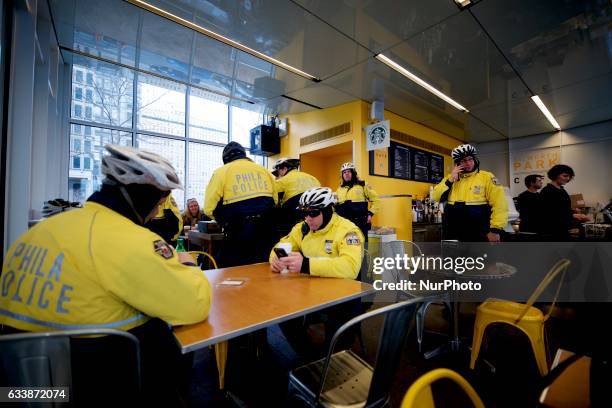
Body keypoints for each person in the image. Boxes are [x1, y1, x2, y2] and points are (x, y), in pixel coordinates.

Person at [0, 144, 212, 405]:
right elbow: (195, 303)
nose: (158, 211)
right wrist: (187, 264)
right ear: (141, 199)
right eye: (158, 203)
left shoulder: (37, 233)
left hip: (23, 390)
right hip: (95, 387)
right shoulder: (130, 239)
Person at [269, 187, 364, 357]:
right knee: (282, 313)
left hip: (344, 295)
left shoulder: (348, 231)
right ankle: (309, 357)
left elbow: (350, 267)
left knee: (336, 347)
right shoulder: (303, 228)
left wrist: (305, 265)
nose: (308, 218)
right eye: (304, 214)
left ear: (328, 210)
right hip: (312, 291)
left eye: (313, 213)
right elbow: (282, 244)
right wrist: (275, 258)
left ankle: (332, 359)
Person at [204, 141, 277, 267]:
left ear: (226, 158)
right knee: (263, 268)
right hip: (267, 230)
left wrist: (222, 220)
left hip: (238, 232)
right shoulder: (264, 171)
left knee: (235, 272)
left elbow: (209, 208)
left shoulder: (221, 172)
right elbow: (275, 200)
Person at [431, 144, 508, 242]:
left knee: (478, 257)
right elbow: (435, 197)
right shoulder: (451, 178)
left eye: (470, 159)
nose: (468, 163)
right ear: (457, 163)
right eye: (463, 160)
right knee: (454, 257)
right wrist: (450, 180)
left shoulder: (487, 177)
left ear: (474, 159)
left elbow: (500, 204)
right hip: (453, 232)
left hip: (478, 232)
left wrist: (495, 230)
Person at [539, 164, 590, 240]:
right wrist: (574, 215)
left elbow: (562, 207)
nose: (568, 178)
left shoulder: (561, 189)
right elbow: (551, 213)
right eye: (565, 176)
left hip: (563, 227)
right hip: (553, 230)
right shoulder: (547, 191)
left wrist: (573, 210)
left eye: (569, 176)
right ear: (555, 175)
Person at [273, 157, 321, 237]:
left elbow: (275, 199)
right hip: (317, 212)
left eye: (278, 172)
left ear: (284, 168)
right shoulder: (312, 177)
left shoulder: (283, 180)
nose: (278, 175)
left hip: (295, 213)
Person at [335, 162, 380, 242]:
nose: (346, 174)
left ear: (353, 173)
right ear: (342, 175)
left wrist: (370, 214)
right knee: (345, 245)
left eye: (349, 171)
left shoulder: (363, 185)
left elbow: (376, 200)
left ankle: (364, 255)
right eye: (344, 172)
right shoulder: (339, 189)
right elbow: (335, 206)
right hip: (344, 223)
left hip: (360, 222)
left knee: (362, 246)